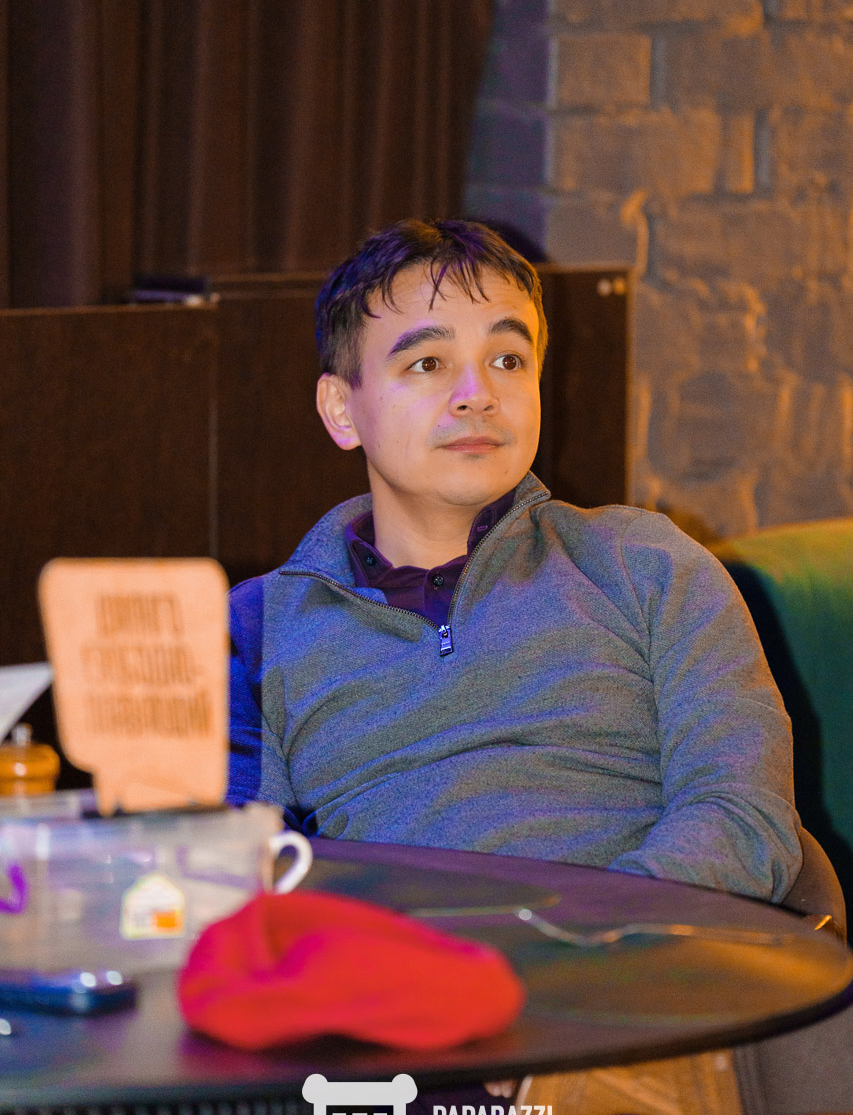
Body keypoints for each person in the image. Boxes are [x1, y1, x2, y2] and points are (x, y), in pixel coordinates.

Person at [228, 217, 801, 904]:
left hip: (640, 947)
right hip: (396, 959)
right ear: (341, 410)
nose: (478, 394)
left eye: (507, 360)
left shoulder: (647, 566)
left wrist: (591, 931)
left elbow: (742, 817)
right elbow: (233, 866)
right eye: (428, 363)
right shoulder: (259, 627)